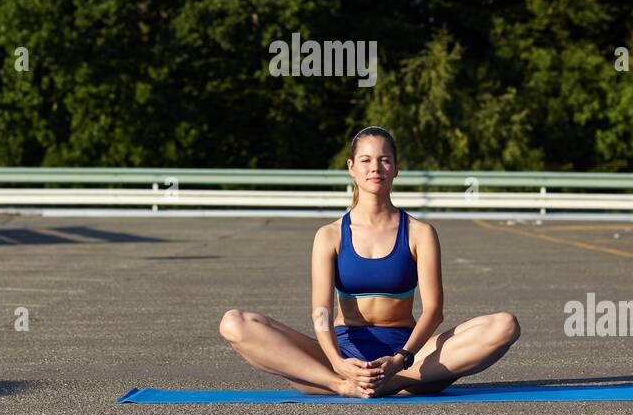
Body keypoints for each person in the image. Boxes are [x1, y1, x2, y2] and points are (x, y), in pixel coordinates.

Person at [220, 126, 521, 398]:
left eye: (384, 160)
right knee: (234, 323)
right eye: (365, 160)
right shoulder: (329, 235)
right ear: (351, 167)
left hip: (409, 360)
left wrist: (399, 360)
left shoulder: (420, 233)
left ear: (396, 168)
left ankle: (387, 384)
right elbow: (322, 312)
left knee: (504, 325)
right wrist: (338, 363)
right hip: (341, 358)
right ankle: (342, 385)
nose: (375, 168)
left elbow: (433, 312)